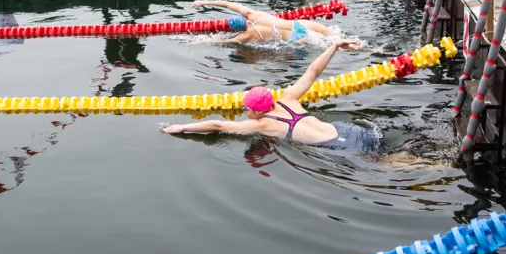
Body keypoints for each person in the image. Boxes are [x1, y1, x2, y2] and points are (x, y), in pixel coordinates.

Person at [163, 40, 380, 152]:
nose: (244, 111)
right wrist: (334, 46)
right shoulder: (288, 99)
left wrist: (182, 127)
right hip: (348, 129)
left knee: (390, 163)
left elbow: (219, 126)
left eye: (245, 109)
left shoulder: (263, 124)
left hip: (341, 145)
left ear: (258, 110)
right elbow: (312, 72)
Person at [188, 0, 360, 47]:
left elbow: (223, 41)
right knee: (335, 37)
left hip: (296, 39)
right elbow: (226, 3)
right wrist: (202, 1)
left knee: (333, 46)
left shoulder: (245, 36)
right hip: (300, 25)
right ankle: (362, 45)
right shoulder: (253, 14)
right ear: (244, 19)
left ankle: (356, 47)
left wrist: (198, 41)